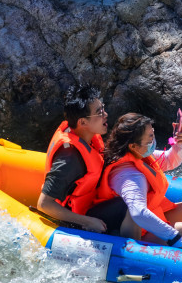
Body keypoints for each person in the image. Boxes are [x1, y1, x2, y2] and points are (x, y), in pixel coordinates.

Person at [95, 113, 182, 257]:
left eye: (153, 133)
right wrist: (174, 237)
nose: (154, 139)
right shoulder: (129, 176)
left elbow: (169, 160)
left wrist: (179, 144)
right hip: (130, 238)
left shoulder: (138, 154)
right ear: (133, 145)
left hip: (145, 224)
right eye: (150, 137)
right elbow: (138, 213)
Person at [37, 86, 129, 233]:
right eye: (99, 112)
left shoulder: (88, 138)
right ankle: (134, 250)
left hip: (91, 203)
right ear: (82, 123)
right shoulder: (69, 159)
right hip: (76, 220)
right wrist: (88, 221)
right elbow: (44, 204)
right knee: (129, 206)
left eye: (103, 108)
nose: (105, 114)